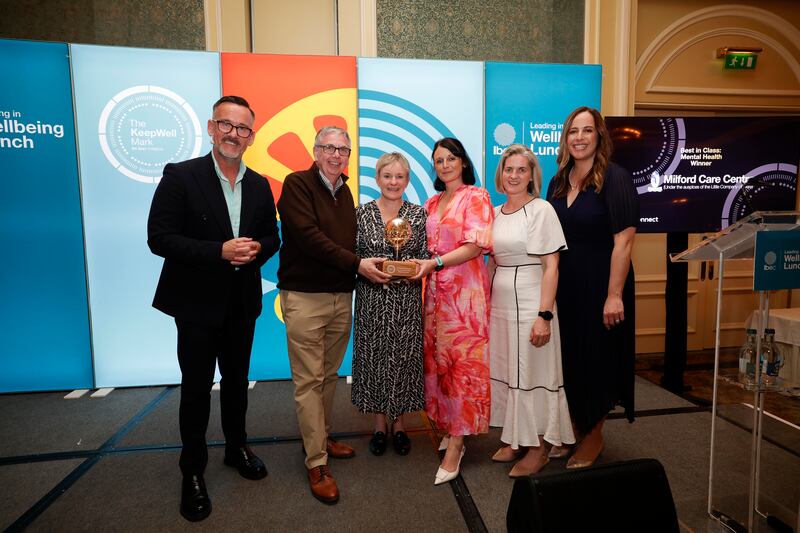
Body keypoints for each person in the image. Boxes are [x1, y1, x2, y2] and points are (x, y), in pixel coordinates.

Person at [147, 95, 280, 522]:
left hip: (242, 304)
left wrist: (257, 248)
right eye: (227, 125)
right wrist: (217, 252)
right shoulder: (181, 176)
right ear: (211, 127)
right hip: (196, 303)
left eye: (242, 128)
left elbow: (271, 239)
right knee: (197, 388)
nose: (233, 134)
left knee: (238, 382)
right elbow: (159, 238)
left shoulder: (260, 184)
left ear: (251, 136)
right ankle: (193, 470)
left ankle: (236, 447)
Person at [277, 126, 389, 504]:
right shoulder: (296, 184)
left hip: (342, 297)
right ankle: (316, 461)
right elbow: (309, 237)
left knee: (327, 376)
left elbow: (346, 242)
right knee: (309, 381)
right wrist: (359, 264)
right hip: (306, 299)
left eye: (343, 149)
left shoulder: (346, 192)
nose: (336, 155)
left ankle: (320, 437)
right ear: (316, 150)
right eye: (329, 148)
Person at [546, 106, 639, 469]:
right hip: (566, 287)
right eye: (573, 131)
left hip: (602, 285)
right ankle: (575, 423)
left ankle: (595, 434)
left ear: (599, 136)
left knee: (599, 360)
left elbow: (625, 242)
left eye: (587, 131)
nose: (580, 138)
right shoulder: (558, 181)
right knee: (570, 358)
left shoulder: (615, 178)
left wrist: (614, 294)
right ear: (565, 138)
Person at [486, 144, 575, 477]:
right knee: (510, 370)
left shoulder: (542, 210)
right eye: (509, 169)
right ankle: (515, 438)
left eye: (522, 170)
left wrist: (544, 315)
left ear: (532, 176)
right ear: (501, 174)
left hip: (531, 298)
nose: (514, 175)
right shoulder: (493, 213)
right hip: (501, 302)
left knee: (531, 372)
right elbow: (493, 262)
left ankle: (537, 447)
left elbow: (552, 266)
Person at [410, 137, 494, 485]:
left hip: (465, 299)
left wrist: (436, 262)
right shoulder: (431, 202)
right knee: (440, 367)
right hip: (435, 297)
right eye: (438, 160)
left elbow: (477, 245)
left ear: (463, 162)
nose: (444, 165)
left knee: (463, 370)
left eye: (451, 158)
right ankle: (450, 425)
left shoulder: (476, 197)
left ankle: (457, 444)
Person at [352, 152, 427, 456]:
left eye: (399, 176)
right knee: (375, 358)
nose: (393, 182)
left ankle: (401, 425)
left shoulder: (419, 214)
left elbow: (425, 254)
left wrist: (412, 268)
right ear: (377, 178)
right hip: (372, 299)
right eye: (387, 176)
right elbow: (353, 254)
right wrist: (365, 266)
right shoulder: (361, 214)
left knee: (402, 359)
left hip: (406, 300)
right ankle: (380, 425)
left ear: (407, 180)